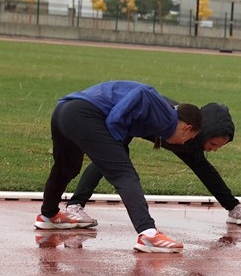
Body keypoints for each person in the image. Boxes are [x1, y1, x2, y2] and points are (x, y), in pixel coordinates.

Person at [35, 80, 202, 253]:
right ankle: (149, 234)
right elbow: (142, 93)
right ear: (186, 128)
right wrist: (114, 132)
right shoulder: (167, 115)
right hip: (83, 114)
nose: (184, 143)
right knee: (124, 174)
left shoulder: (163, 120)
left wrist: (116, 138)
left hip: (64, 111)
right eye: (188, 138)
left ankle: (49, 214)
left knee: (66, 167)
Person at [63, 102, 241, 226]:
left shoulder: (192, 142)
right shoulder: (163, 119)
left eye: (219, 148)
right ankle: (74, 206)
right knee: (113, 158)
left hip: (154, 130)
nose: (214, 149)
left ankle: (233, 208)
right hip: (122, 117)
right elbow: (132, 112)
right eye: (213, 144)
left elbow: (207, 173)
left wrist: (233, 206)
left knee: (205, 169)